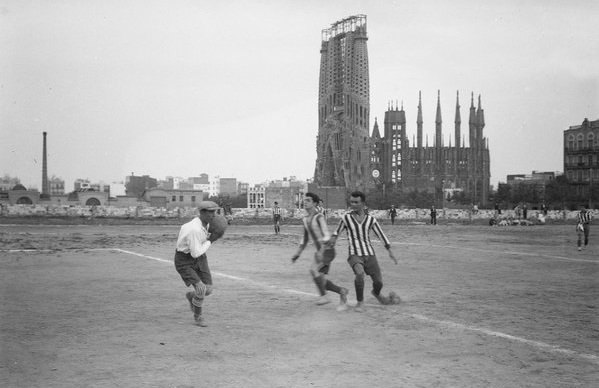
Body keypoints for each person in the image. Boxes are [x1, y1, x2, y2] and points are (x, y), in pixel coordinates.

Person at [330, 191, 398, 312]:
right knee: (359, 274)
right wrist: (332, 240)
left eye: (356, 202)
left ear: (363, 203)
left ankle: (376, 293)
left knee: (378, 282)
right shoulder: (346, 218)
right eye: (351, 202)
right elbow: (336, 232)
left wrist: (390, 251)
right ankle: (360, 302)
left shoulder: (371, 220)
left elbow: (381, 235)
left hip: (370, 255)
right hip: (354, 254)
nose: (353, 204)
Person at [291, 193, 348, 310]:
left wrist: (322, 251)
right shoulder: (305, 219)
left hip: (327, 250)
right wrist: (298, 253)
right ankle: (342, 291)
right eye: (304, 200)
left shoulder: (319, 217)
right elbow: (305, 239)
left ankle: (324, 297)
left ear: (315, 203)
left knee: (313, 270)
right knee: (321, 280)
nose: (305, 202)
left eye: (308, 200)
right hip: (320, 251)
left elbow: (326, 234)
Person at [174, 201, 221, 327]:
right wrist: (211, 240)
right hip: (184, 260)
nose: (213, 215)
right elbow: (195, 253)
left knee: (208, 289)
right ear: (202, 213)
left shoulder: (205, 223)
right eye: (211, 212)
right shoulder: (194, 229)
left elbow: (198, 251)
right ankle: (198, 316)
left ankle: (191, 297)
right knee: (201, 288)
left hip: (199, 257)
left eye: (215, 212)